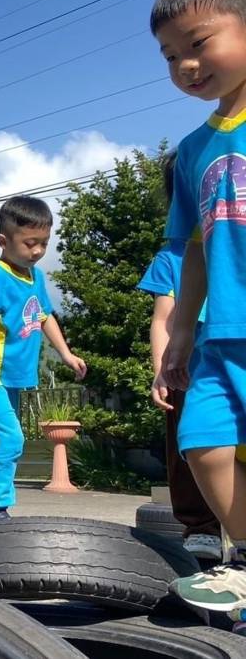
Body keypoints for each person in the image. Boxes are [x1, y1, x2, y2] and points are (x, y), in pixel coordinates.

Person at [151, 0, 246, 614]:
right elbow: (190, 252)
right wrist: (181, 332)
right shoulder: (192, 151)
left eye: (198, 42)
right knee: (204, 442)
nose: (185, 63)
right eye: (168, 56)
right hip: (223, 331)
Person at [0, 196, 87, 520]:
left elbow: (44, 316)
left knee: (1, 441)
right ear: (3, 241)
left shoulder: (35, 276)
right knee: (8, 439)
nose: (38, 251)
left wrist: (66, 354)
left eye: (43, 243)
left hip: (10, 378)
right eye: (30, 244)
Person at [141, 151, 221, 562]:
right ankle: (201, 528)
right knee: (189, 445)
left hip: (232, 362)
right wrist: (161, 370)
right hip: (189, 370)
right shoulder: (172, 257)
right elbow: (164, 319)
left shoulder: (233, 244)